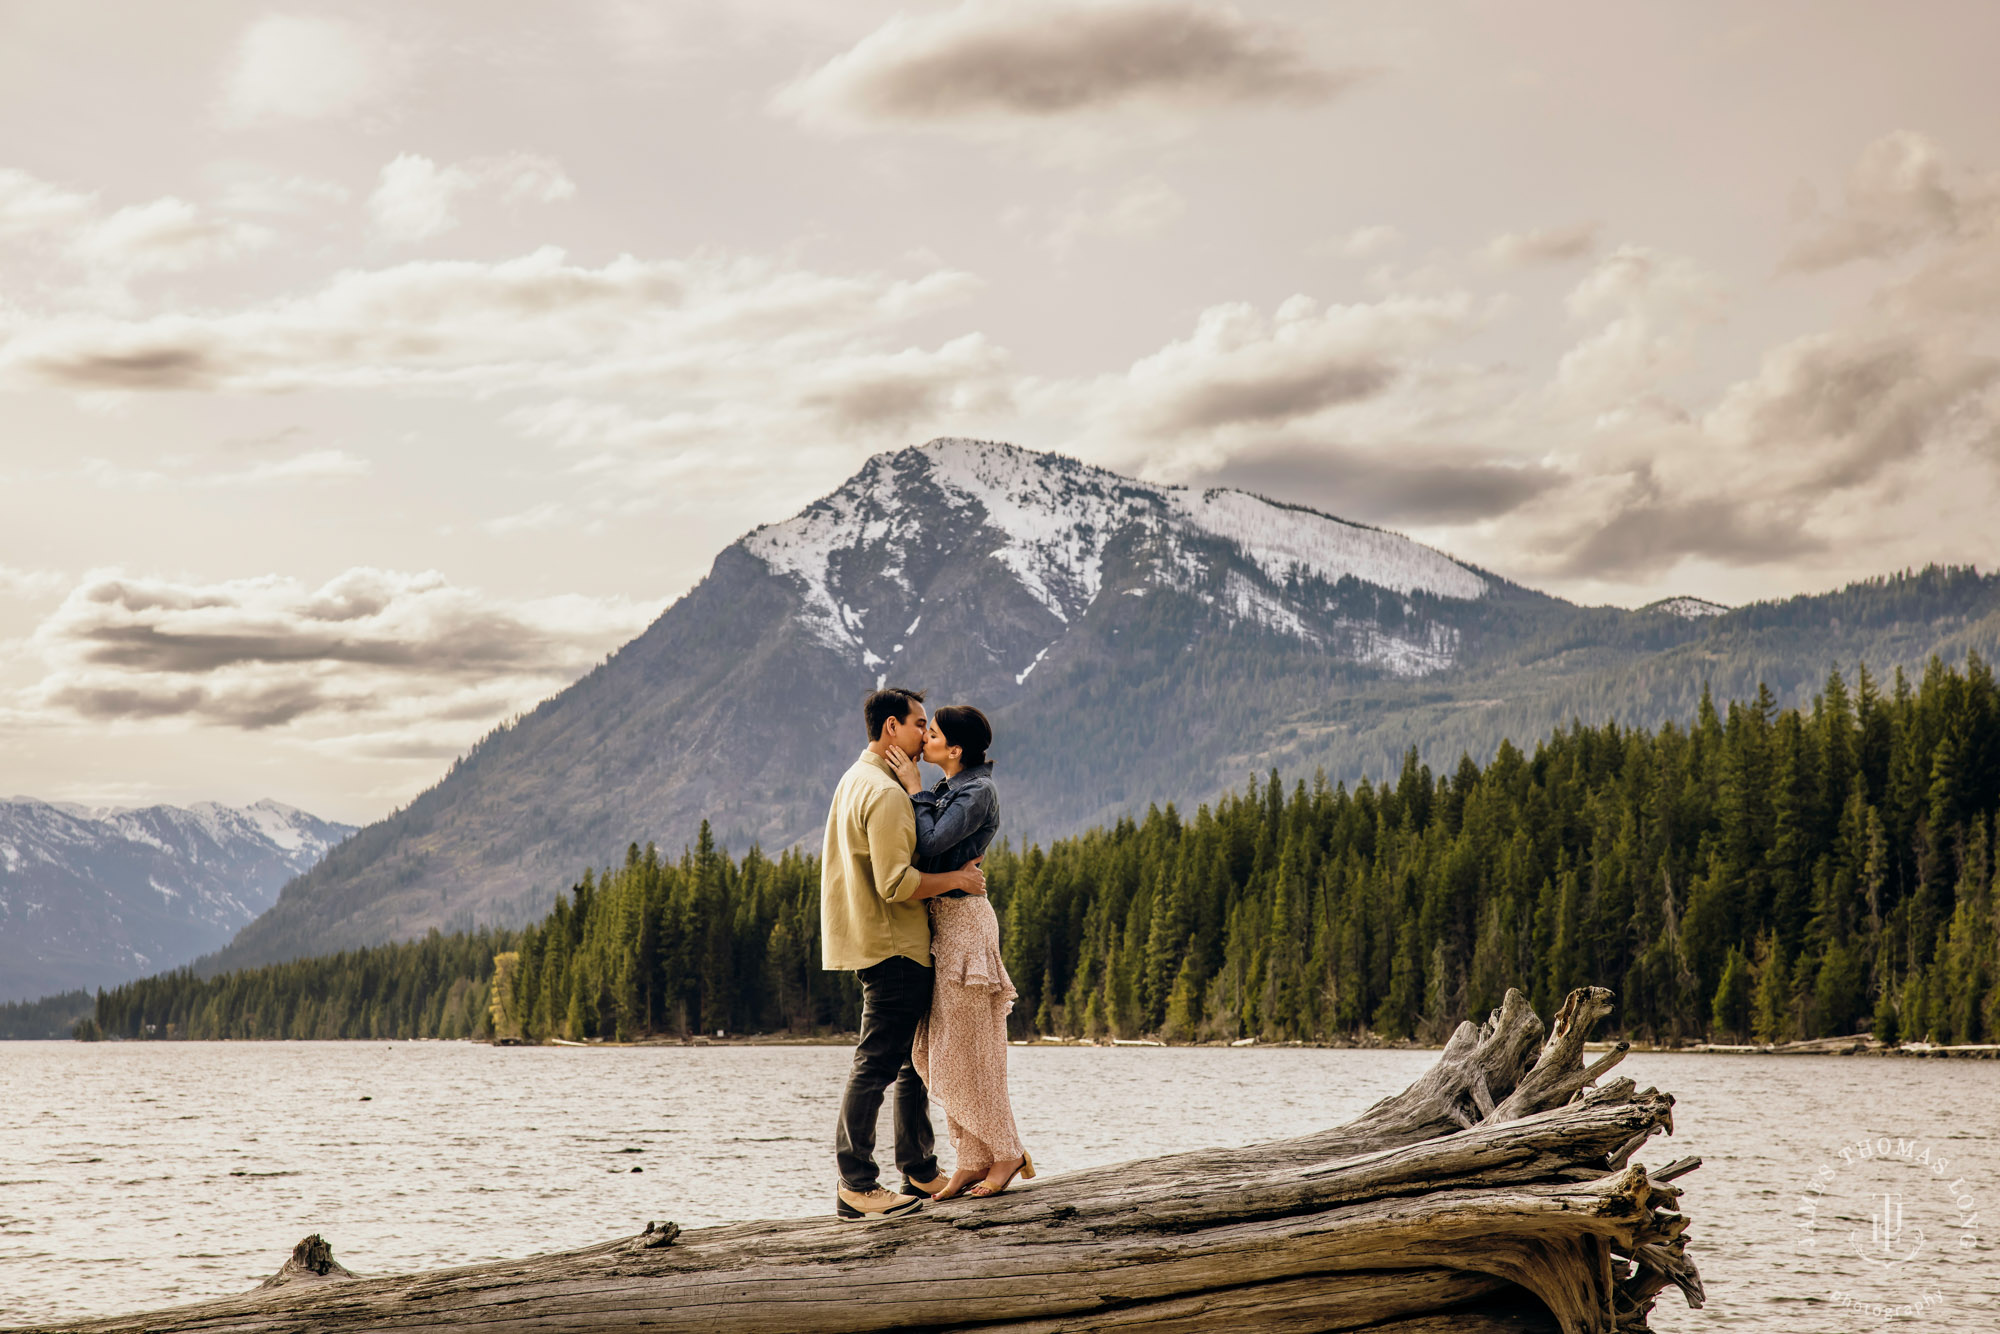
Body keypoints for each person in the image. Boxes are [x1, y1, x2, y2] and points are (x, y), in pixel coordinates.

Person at [822, 686, 987, 1221]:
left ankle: (917, 1168)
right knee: (877, 1064)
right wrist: (957, 879)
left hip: (872, 940)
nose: (924, 735)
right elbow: (895, 883)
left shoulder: (853, 779)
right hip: (896, 944)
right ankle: (857, 1184)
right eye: (919, 724)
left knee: (913, 1063)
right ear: (891, 727)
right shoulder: (889, 793)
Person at [884, 704, 1035, 1200]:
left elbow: (927, 843)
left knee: (972, 1049)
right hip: (943, 926)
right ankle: (972, 1157)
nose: (925, 736)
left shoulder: (977, 791)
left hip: (966, 926)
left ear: (956, 749)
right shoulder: (952, 787)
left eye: (936, 733)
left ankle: (1007, 1152)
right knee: (936, 1048)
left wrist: (911, 788)